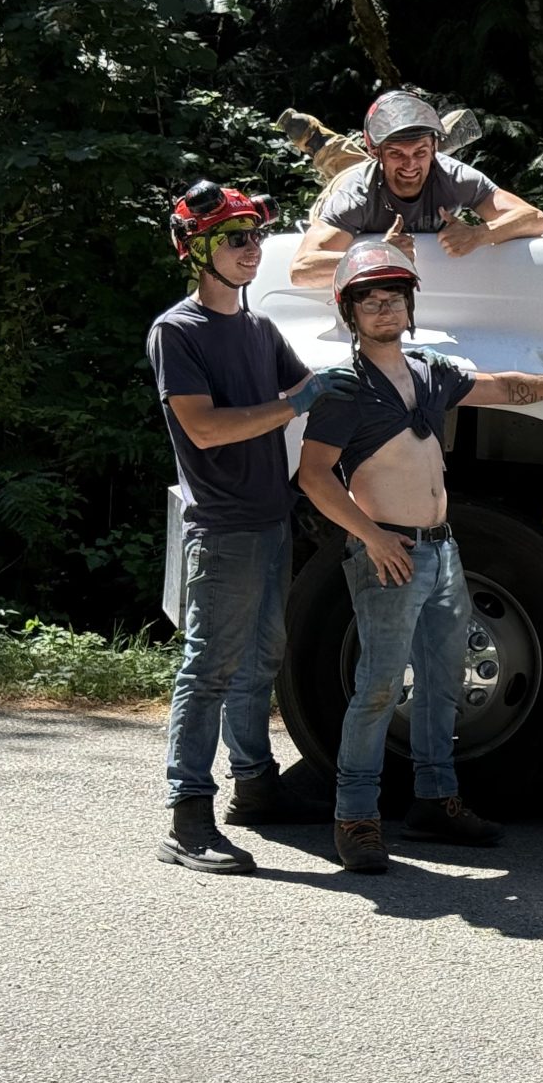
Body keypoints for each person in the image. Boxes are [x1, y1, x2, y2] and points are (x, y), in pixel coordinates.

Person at [296, 240, 543, 873]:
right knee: (380, 686)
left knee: (442, 681)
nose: (383, 307)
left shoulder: (429, 371)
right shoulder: (343, 392)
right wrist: (374, 537)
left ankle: (435, 801)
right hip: (390, 553)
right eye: (369, 299)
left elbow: (501, 386)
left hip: (441, 552)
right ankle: (355, 817)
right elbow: (314, 477)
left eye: (393, 296)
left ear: (410, 306)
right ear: (350, 312)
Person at [149, 181, 358, 873]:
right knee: (207, 669)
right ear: (198, 249)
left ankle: (256, 790)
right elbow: (205, 429)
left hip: (271, 523)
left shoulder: (259, 329)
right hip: (222, 529)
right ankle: (186, 819)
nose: (252, 250)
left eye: (255, 236)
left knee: (262, 658)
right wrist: (295, 401)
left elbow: (316, 393)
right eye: (236, 239)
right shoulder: (176, 332)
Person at [287, 91, 543, 287]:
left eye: (421, 151)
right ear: (377, 152)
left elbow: (536, 219)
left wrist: (479, 234)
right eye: (397, 152)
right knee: (352, 169)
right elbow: (301, 269)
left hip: (392, 169)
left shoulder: (454, 176)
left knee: (402, 168)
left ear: (433, 149)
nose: (410, 163)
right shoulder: (353, 196)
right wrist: (380, 256)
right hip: (347, 185)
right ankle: (320, 143)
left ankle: (410, 147)